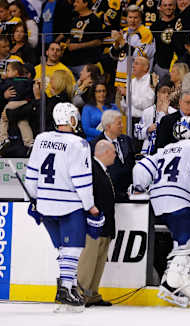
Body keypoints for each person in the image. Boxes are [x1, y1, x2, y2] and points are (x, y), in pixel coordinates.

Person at [132, 115, 190, 308]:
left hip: (157, 201)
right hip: (180, 201)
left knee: (180, 242)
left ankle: (169, 278)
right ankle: (173, 282)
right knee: (188, 245)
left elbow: (141, 169)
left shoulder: (164, 149)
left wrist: (139, 187)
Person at [25, 102, 100, 311]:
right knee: (73, 248)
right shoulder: (79, 144)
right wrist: (90, 206)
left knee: (63, 249)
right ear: (71, 119)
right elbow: (82, 179)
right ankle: (66, 289)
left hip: (46, 204)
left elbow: (31, 174)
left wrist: (33, 198)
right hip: (69, 205)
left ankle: (70, 286)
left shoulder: (41, 139)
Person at [77, 140, 116, 307]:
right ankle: (80, 294)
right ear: (106, 152)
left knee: (98, 262)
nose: (115, 155)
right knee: (88, 261)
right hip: (93, 224)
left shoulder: (101, 170)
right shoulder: (91, 169)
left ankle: (92, 294)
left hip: (104, 225)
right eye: (113, 152)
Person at [91, 110, 135, 200]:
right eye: (119, 124)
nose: (122, 126)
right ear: (108, 127)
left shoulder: (127, 140)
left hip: (129, 195)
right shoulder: (95, 145)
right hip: (108, 196)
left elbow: (131, 164)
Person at [110, 5, 155, 90]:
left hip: (137, 81)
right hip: (121, 81)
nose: (132, 21)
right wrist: (116, 43)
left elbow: (140, 55)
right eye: (130, 17)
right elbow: (113, 55)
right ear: (126, 18)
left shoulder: (146, 33)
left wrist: (122, 42)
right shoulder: (124, 32)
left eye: (136, 18)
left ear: (140, 19)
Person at [60, 0, 103, 79]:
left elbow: (98, 41)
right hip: (69, 63)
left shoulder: (95, 20)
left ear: (85, 3)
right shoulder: (74, 19)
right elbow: (71, 36)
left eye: (77, 2)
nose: (74, 4)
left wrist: (79, 46)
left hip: (84, 64)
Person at [135, 84, 177, 155]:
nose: (166, 95)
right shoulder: (147, 111)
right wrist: (148, 129)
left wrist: (165, 113)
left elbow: (174, 133)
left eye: (168, 93)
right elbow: (137, 132)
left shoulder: (174, 112)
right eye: (163, 92)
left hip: (166, 150)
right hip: (147, 151)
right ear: (157, 94)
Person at [150, 0, 176, 83]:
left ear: (175, 6)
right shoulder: (155, 26)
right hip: (160, 67)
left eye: (170, 5)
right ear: (160, 8)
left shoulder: (180, 23)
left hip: (177, 66)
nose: (168, 7)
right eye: (165, 5)